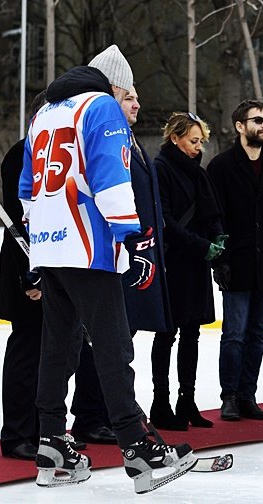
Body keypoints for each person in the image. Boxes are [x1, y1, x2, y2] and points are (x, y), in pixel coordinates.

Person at [19, 45, 196, 494]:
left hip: (50, 247)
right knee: (114, 345)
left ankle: (52, 442)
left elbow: (27, 187)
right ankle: (137, 447)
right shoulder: (101, 106)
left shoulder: (44, 113)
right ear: (114, 85)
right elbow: (110, 178)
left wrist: (39, 239)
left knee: (58, 345)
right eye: (128, 91)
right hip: (88, 246)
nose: (129, 101)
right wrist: (134, 240)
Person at [0, 91, 115, 461]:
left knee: (57, 357)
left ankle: (45, 430)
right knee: (27, 352)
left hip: (56, 267)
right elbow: (20, 221)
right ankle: (18, 434)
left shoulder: (58, 153)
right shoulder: (23, 153)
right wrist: (30, 276)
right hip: (29, 268)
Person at [207, 100, 263, 421]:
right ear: (239, 126)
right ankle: (230, 396)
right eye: (257, 119)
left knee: (257, 334)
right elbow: (213, 219)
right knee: (234, 334)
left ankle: (248, 395)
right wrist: (220, 261)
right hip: (237, 264)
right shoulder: (220, 167)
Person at [151, 111, 225, 430]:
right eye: (194, 141)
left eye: (201, 141)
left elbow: (211, 211)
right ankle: (161, 402)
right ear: (175, 138)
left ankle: (187, 400)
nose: (199, 147)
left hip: (194, 263)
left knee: (191, 334)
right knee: (167, 333)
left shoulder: (198, 172)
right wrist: (200, 245)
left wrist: (217, 234)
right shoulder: (160, 169)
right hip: (172, 261)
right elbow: (163, 220)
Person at [118, 85, 172, 337]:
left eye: (137, 98)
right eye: (129, 98)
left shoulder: (133, 141)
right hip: (122, 260)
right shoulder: (112, 143)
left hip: (142, 258)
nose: (137, 104)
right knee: (106, 345)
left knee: (125, 338)